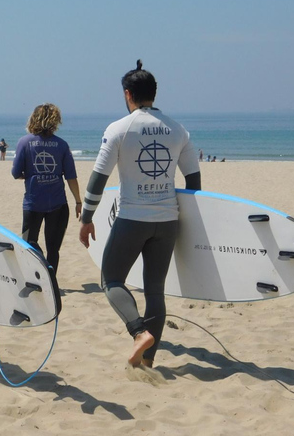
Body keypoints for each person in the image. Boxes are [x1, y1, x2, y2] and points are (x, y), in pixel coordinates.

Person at [79, 60, 201, 369]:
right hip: (168, 221)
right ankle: (147, 362)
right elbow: (194, 181)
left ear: (128, 94)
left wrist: (86, 218)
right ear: (154, 94)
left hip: (133, 218)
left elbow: (98, 178)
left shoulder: (119, 129)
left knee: (111, 280)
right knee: (155, 290)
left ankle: (138, 333)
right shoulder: (178, 130)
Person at [12, 103, 81, 274]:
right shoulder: (62, 145)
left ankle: (38, 274)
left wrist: (30, 174)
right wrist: (78, 201)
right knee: (53, 249)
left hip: (33, 203)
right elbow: (71, 176)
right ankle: (51, 279)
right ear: (55, 121)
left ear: (33, 119)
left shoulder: (24, 142)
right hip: (58, 203)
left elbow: (15, 172)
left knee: (29, 243)